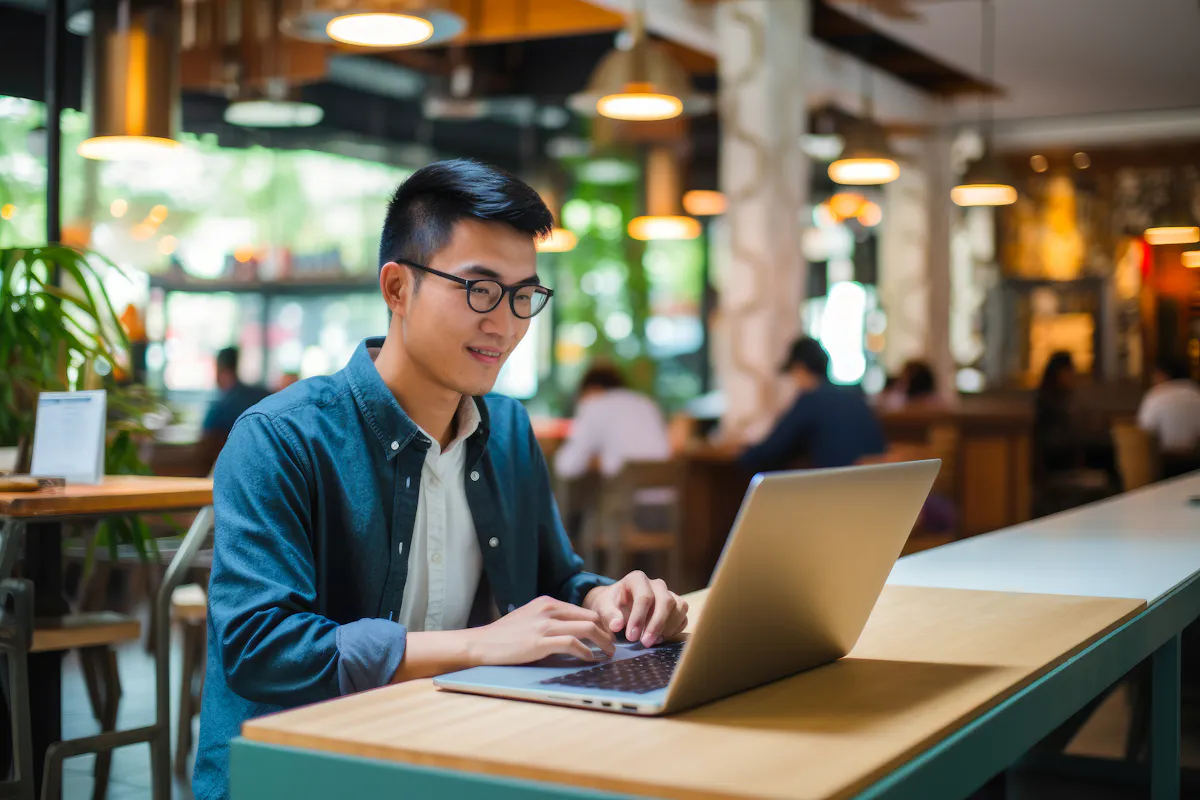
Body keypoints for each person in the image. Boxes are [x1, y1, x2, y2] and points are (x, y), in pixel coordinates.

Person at [194, 160, 688, 800]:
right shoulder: (280, 438)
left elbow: (554, 577)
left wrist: (608, 600)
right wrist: (478, 646)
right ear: (397, 289)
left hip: (453, 749)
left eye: (523, 296)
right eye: (480, 290)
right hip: (300, 771)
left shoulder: (507, 429)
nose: (506, 324)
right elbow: (262, 648)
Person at [739, 336, 886, 473]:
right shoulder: (853, 395)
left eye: (793, 373)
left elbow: (772, 449)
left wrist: (742, 454)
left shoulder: (810, 400)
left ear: (800, 368)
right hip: (875, 483)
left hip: (839, 488)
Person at [553, 364, 671, 480]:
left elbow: (566, 465)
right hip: (669, 490)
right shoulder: (646, 403)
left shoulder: (594, 404)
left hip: (625, 492)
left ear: (593, 389)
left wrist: (595, 461)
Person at [199, 347, 269, 471]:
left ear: (221, 371)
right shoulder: (263, 395)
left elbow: (206, 442)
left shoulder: (221, 406)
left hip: (229, 470)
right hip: (266, 467)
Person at [1137, 357, 1200, 475]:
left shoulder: (1156, 394)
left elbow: (1144, 428)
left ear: (1163, 375)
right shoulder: (1196, 392)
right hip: (1196, 460)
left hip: (1164, 464)